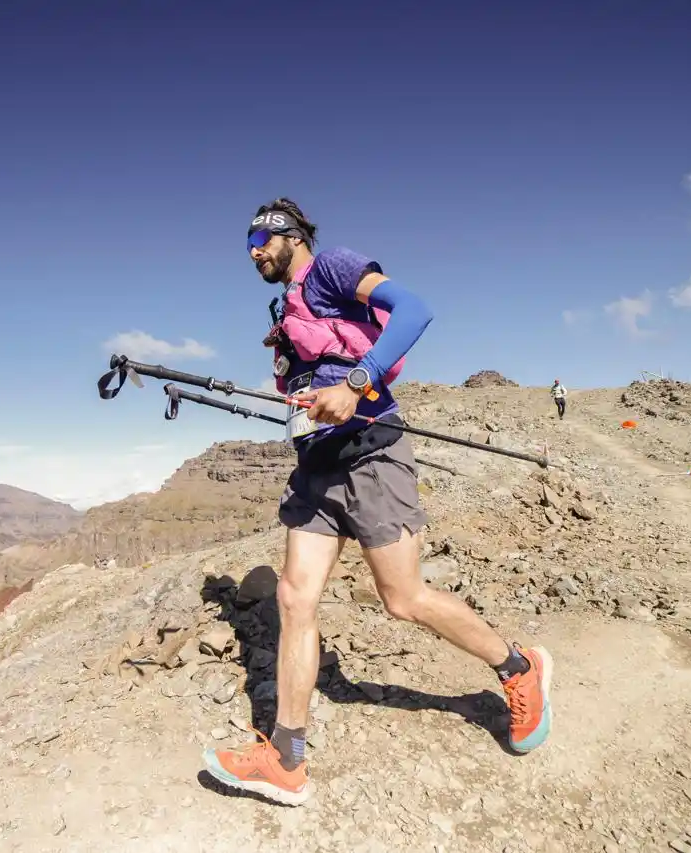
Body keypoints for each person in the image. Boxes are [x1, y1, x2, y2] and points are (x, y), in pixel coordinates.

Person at [202, 198, 555, 807]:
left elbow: (415, 311)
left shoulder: (335, 269)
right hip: (315, 467)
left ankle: (519, 669)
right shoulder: (282, 309)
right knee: (294, 597)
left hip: (371, 456)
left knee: (404, 599)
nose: (253, 250)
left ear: (289, 234)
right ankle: (286, 759)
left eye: (260, 238)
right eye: (249, 243)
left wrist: (357, 382)